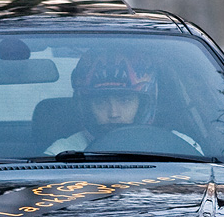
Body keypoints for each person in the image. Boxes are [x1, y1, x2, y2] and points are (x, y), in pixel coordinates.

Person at [45, 51, 202, 156]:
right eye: (100, 102)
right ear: (86, 107)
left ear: (143, 104)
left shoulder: (182, 148)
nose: (113, 113)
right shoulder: (61, 154)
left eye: (125, 100)